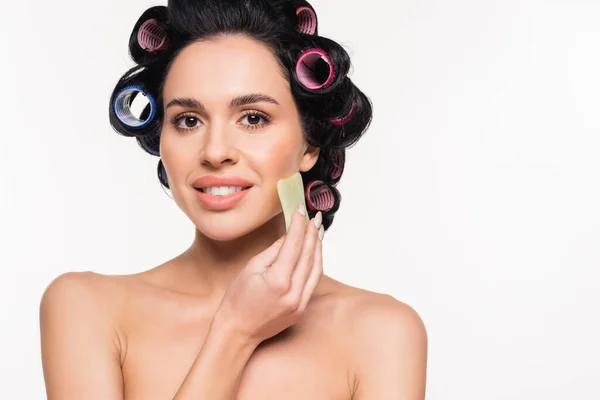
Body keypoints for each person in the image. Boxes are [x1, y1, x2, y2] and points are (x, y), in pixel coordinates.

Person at [39, 0, 428, 398]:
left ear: (310, 143)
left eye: (253, 118)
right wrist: (235, 333)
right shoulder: (86, 309)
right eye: (188, 121)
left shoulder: (381, 333)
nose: (215, 151)